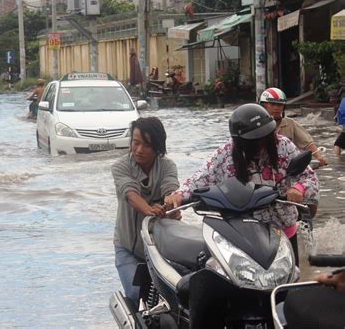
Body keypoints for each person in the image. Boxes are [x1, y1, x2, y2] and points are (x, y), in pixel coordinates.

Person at [165, 104, 319, 266]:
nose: (261, 144)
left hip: (283, 232)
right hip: (242, 235)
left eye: (265, 137)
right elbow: (199, 179)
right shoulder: (225, 154)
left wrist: (298, 188)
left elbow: (309, 178)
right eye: (255, 140)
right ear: (240, 141)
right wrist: (179, 195)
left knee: (289, 284)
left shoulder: (284, 146)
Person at [112, 117, 180, 305]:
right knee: (136, 294)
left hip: (161, 249)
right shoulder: (120, 166)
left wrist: (170, 207)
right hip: (128, 249)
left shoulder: (167, 166)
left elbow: (171, 190)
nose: (139, 150)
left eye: (147, 145)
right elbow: (131, 195)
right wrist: (151, 211)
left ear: (158, 147)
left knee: (178, 294)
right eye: (136, 143)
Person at [259, 87, 327, 166]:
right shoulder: (258, 125)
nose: (276, 108)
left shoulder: (290, 123)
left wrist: (319, 157)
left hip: (287, 166)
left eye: (280, 105)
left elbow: (307, 143)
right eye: (273, 104)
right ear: (264, 106)